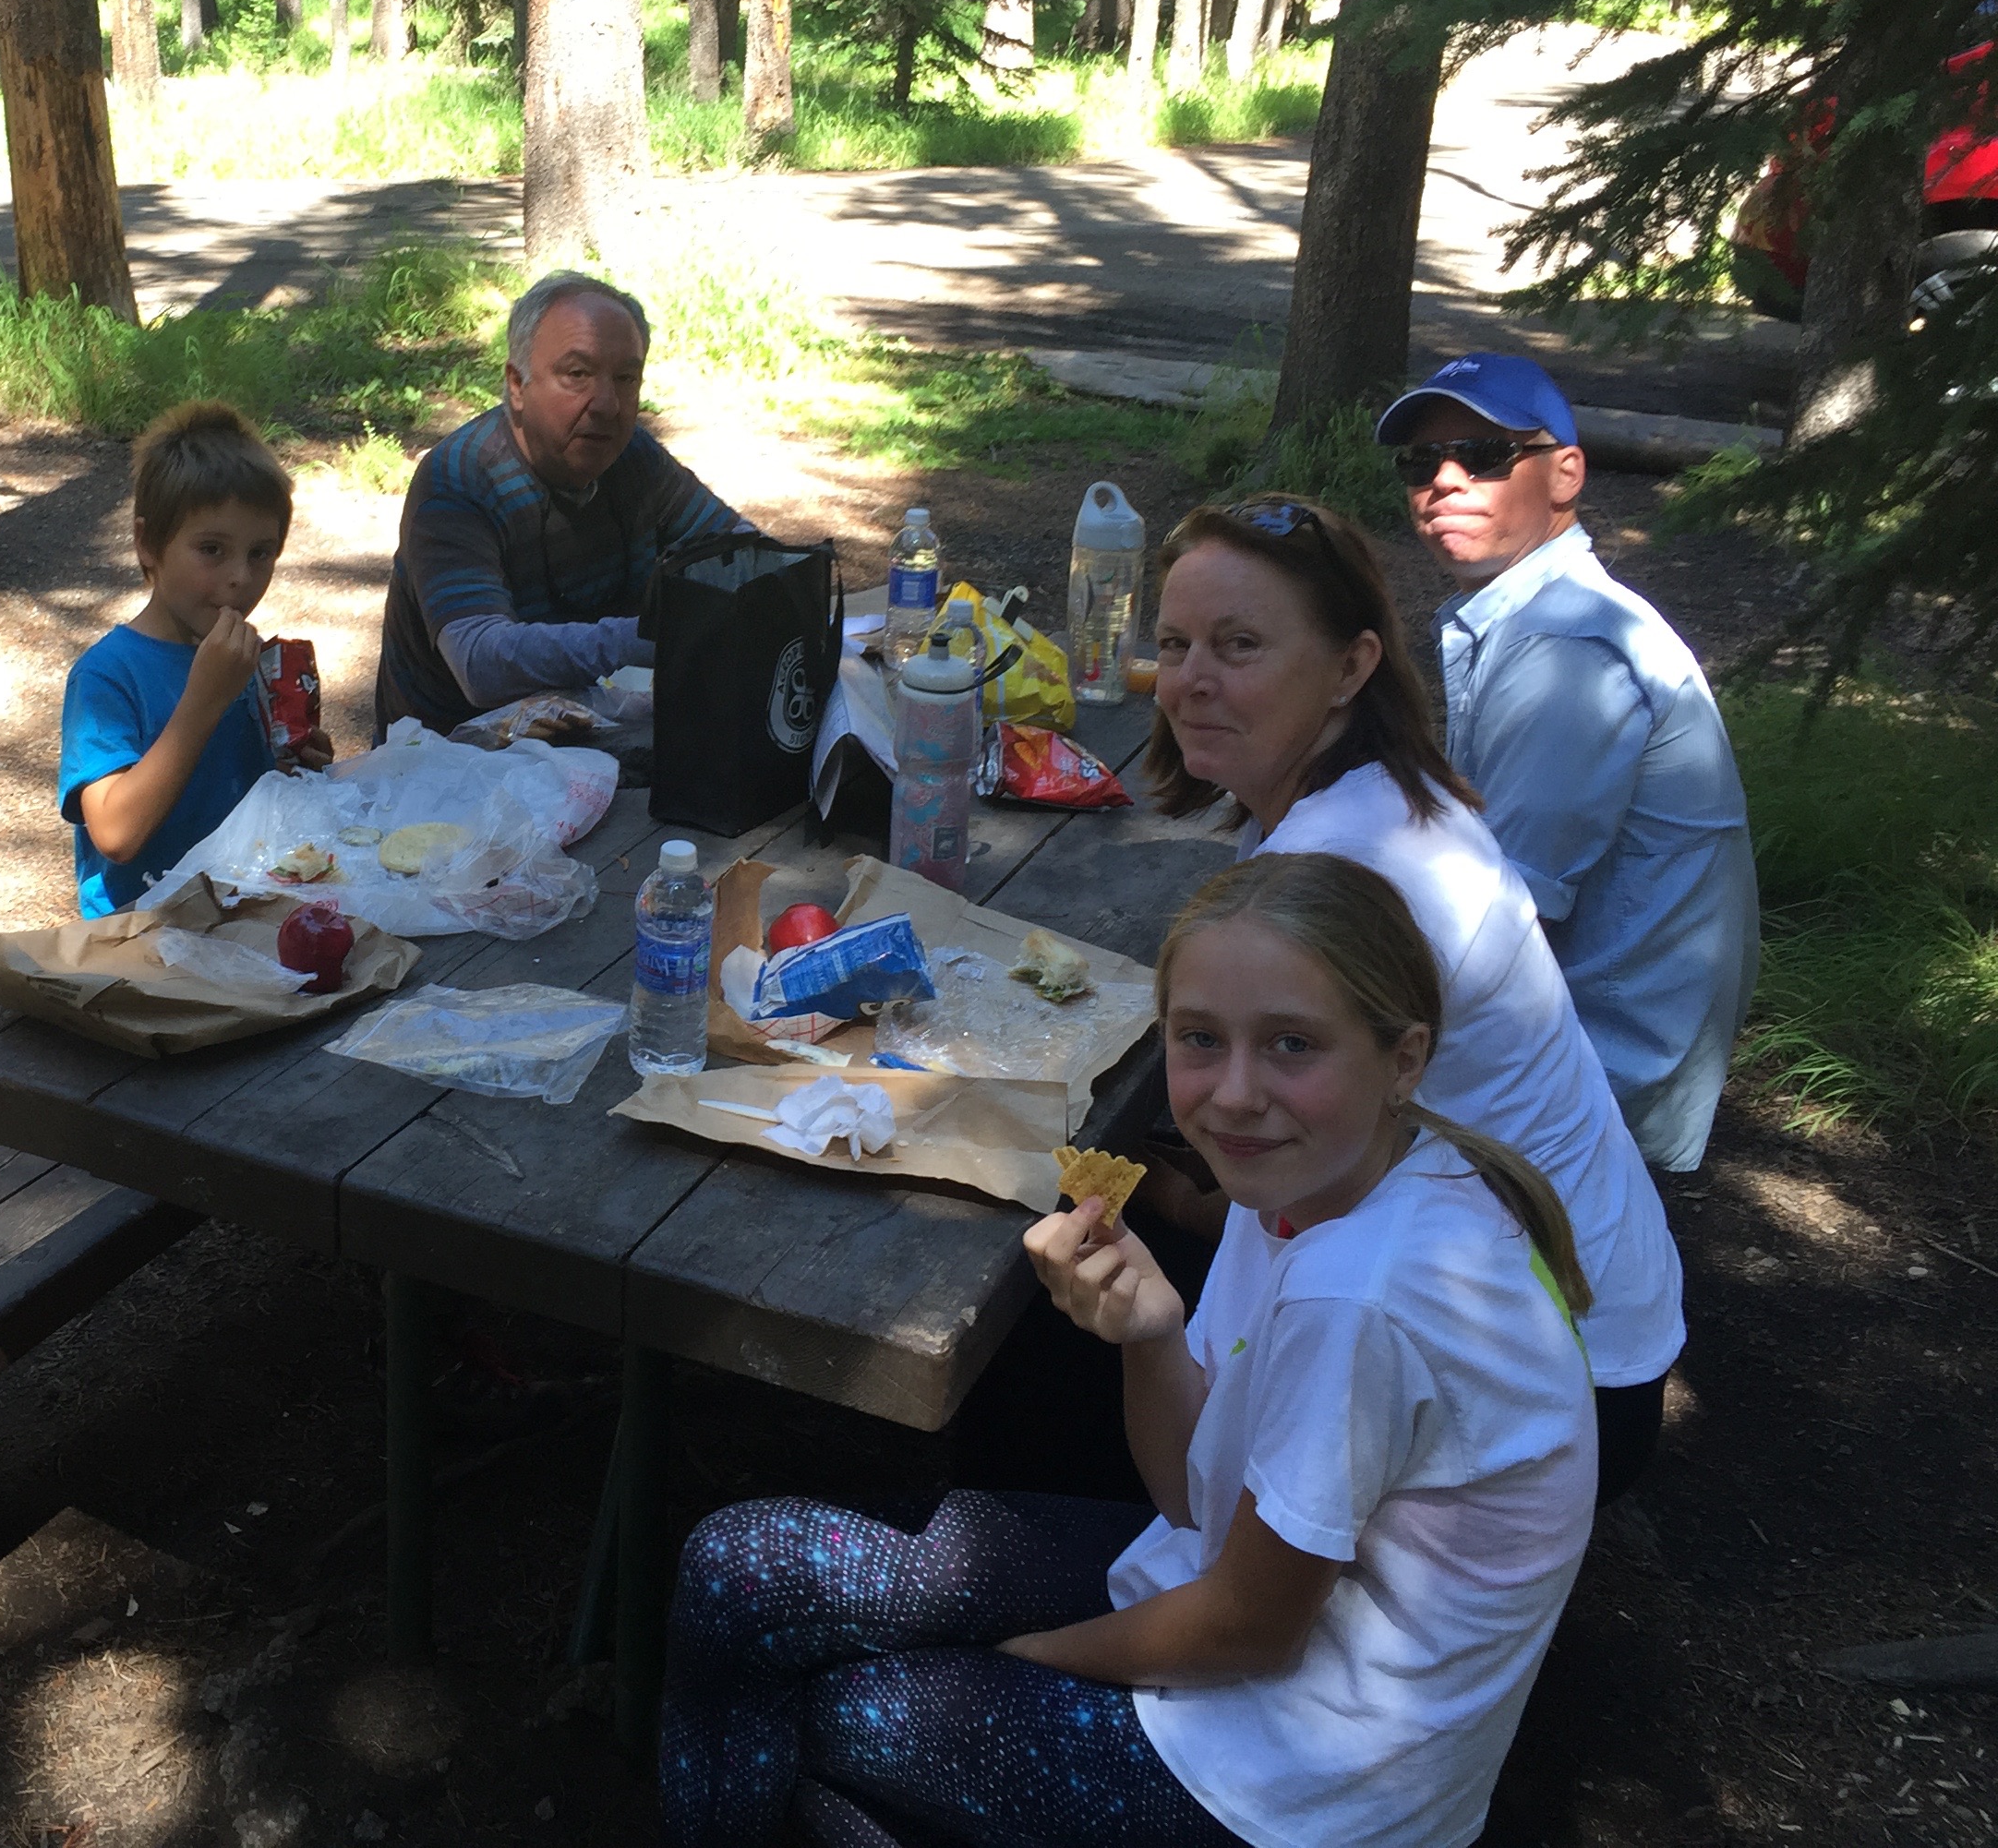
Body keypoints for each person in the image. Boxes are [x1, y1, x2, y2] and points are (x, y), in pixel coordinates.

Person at [660, 854, 1597, 1848]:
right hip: (1236, 1611)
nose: (1235, 1093)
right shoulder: (1311, 1181)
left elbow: (1247, 1629)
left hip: (1301, 1789)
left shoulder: (1362, 1294)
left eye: (1292, 1043)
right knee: (739, 1569)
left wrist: (1019, 1661)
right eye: (1201, 1039)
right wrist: (1152, 1337)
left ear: (1403, 1059)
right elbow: (1194, 1500)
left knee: (837, 1721)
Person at [1144, 495, 1681, 1498]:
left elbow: (1276, 1141)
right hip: (1569, 1310)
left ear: (1352, 668)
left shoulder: (1350, 859)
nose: (1192, 680)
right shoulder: (1370, 796)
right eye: (1175, 645)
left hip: (1541, 1375)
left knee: (1069, 1341)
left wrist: (1170, 1203)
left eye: (1240, 645)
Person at [1378, 353, 1759, 1173]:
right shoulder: (1540, 615)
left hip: (1596, 1075)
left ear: (1566, 474)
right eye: (1421, 461)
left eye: (1483, 455)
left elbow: (1493, 929)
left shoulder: (1567, 648)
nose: (1443, 481)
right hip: (1594, 1043)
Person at [375, 270, 745, 736]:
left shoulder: (633, 457)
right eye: (577, 374)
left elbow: (741, 553)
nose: (607, 404)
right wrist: (660, 634)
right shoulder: (460, 479)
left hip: (590, 739)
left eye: (626, 378)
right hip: (450, 760)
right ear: (517, 385)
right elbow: (479, 662)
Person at [57, 402, 333, 918]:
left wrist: (290, 766)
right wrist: (204, 701)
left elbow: (229, 792)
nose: (240, 577)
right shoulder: (107, 676)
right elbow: (115, 834)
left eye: (260, 553)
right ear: (147, 544)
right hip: (141, 931)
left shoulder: (243, 659)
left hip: (241, 910)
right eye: (211, 549)